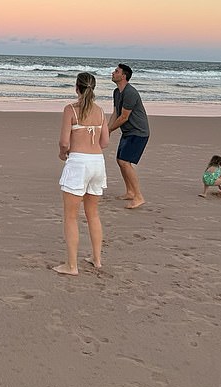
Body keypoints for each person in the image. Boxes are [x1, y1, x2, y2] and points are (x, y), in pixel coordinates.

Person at [53, 72, 109, 276]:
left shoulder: (71, 110)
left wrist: (62, 153)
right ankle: (97, 258)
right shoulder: (101, 111)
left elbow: (64, 142)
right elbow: (105, 143)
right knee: (93, 213)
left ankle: (71, 265)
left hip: (79, 163)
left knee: (70, 217)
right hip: (97, 163)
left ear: (77, 88)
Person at [108, 63, 150, 209]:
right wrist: (107, 129)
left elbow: (124, 117)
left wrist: (109, 131)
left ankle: (139, 196)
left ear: (123, 76)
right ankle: (130, 192)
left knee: (125, 162)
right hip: (128, 132)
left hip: (138, 132)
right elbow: (116, 113)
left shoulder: (130, 92)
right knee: (120, 161)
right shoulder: (116, 92)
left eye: (116, 71)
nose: (113, 73)